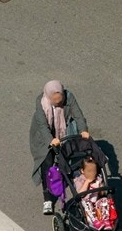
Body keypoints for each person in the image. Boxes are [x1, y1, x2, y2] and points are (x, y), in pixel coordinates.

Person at [30, 79, 90, 215]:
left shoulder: (69, 96)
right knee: (47, 163)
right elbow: (42, 126)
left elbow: (78, 115)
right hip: (44, 136)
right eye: (55, 101)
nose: (58, 103)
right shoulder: (41, 102)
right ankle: (47, 199)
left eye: (60, 100)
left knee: (74, 158)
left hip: (64, 131)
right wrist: (51, 140)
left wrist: (83, 130)